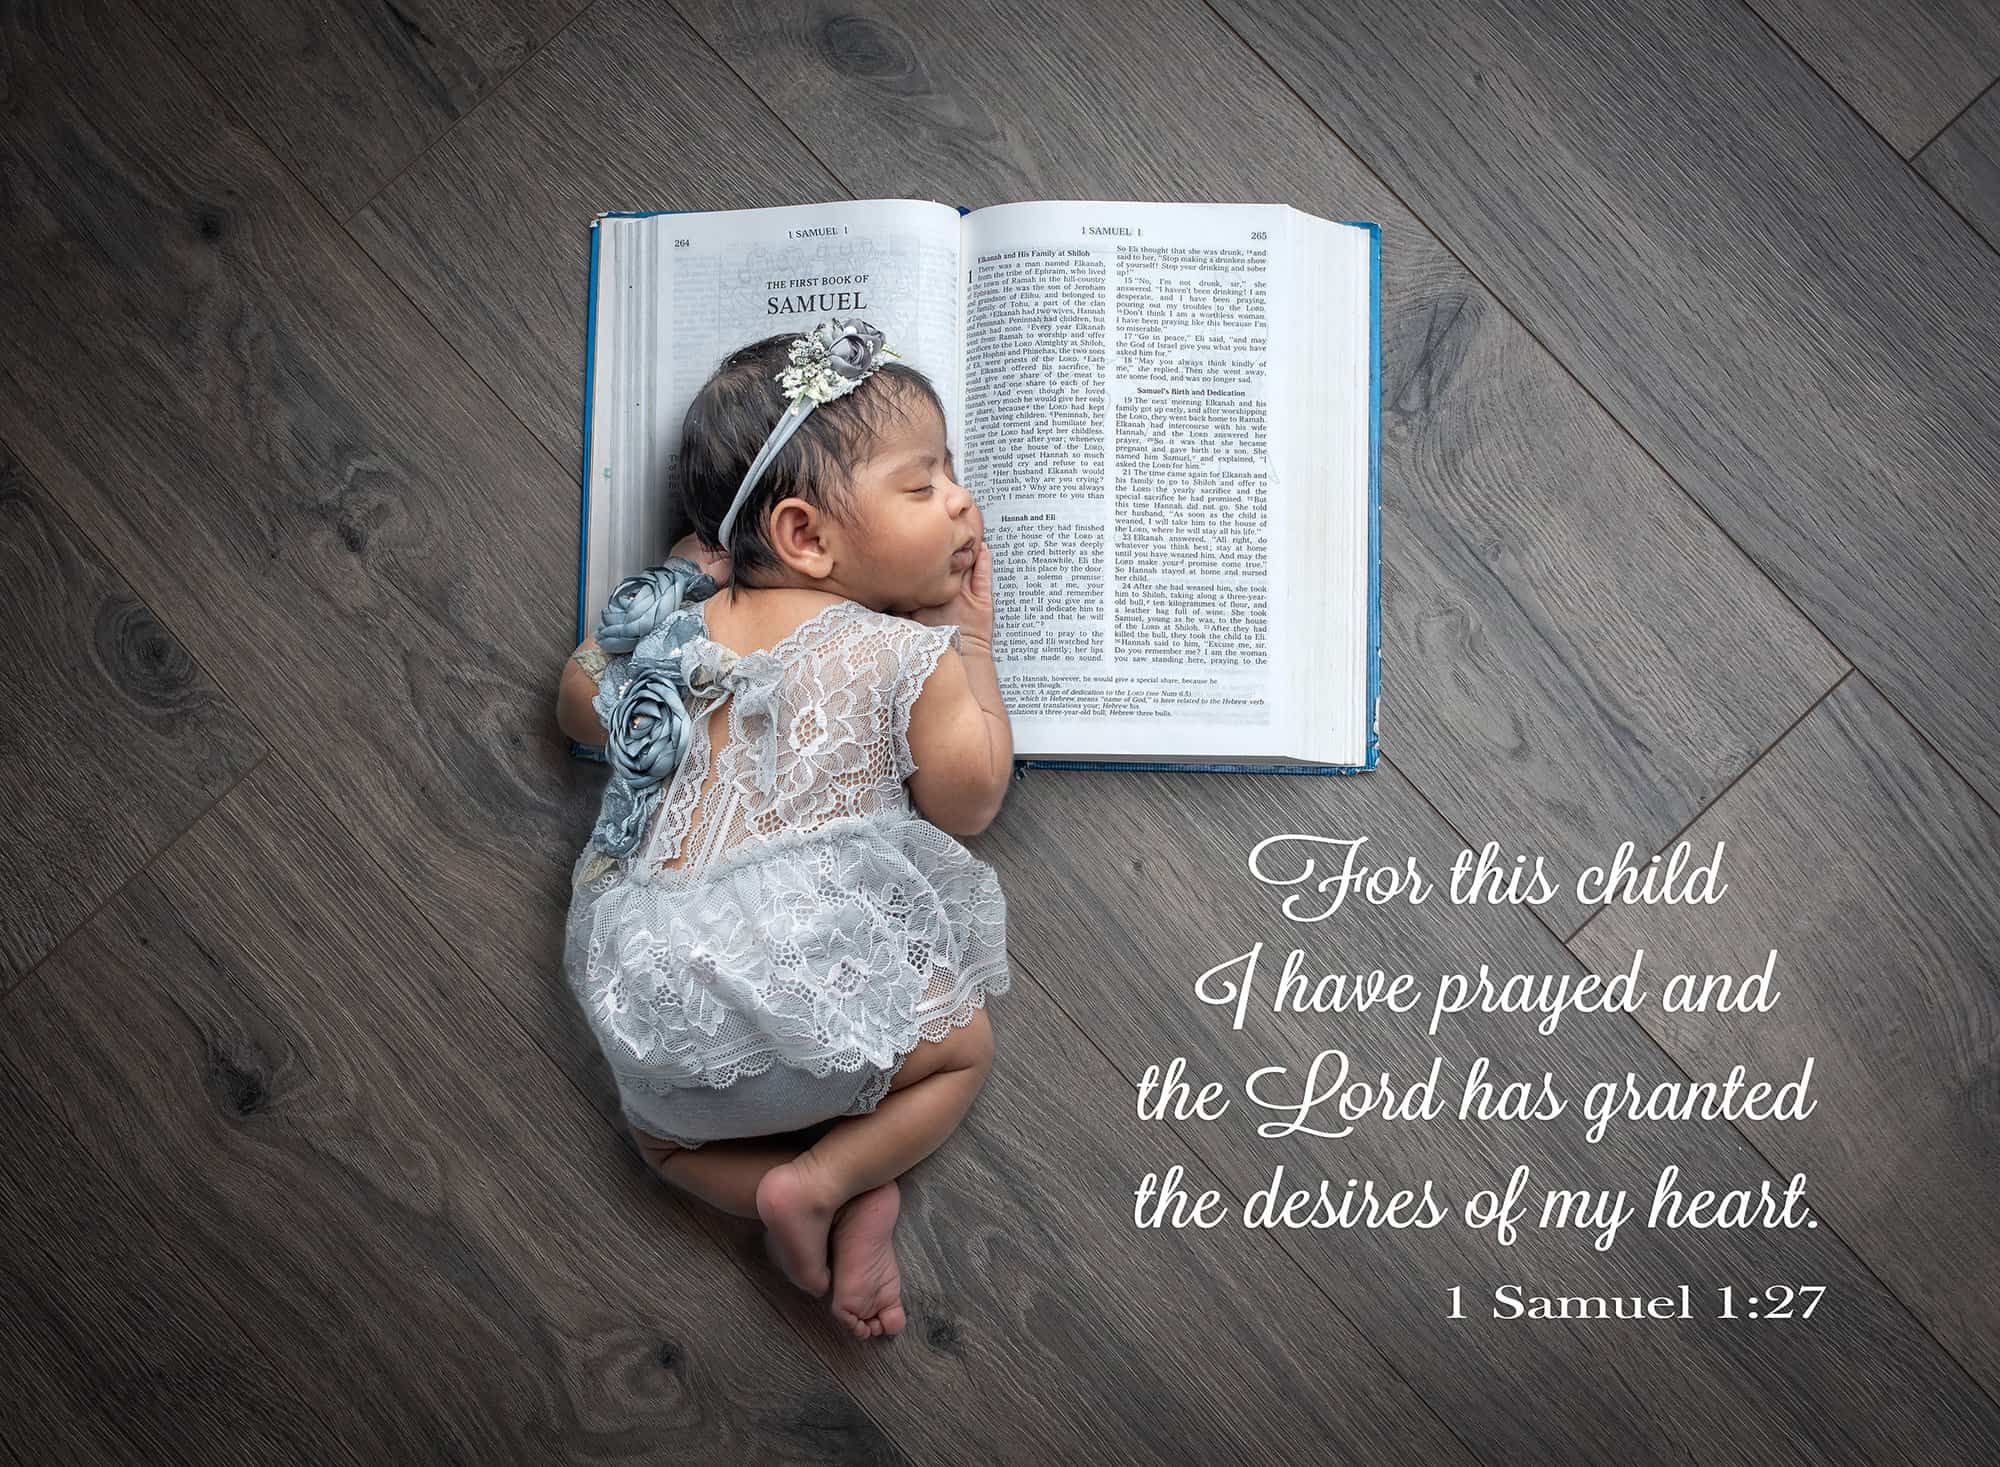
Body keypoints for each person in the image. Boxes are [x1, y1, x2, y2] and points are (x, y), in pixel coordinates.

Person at [554, 319, 1012, 1341]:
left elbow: (577, 704)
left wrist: (670, 593)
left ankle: (767, 1183)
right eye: (923, 483)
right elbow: (970, 799)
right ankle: (824, 1180)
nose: (961, 500)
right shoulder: (897, 652)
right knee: (961, 1051)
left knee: (660, 1144)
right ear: (805, 537)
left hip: (658, 1003)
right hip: (821, 972)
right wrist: (969, 646)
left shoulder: (679, 639)